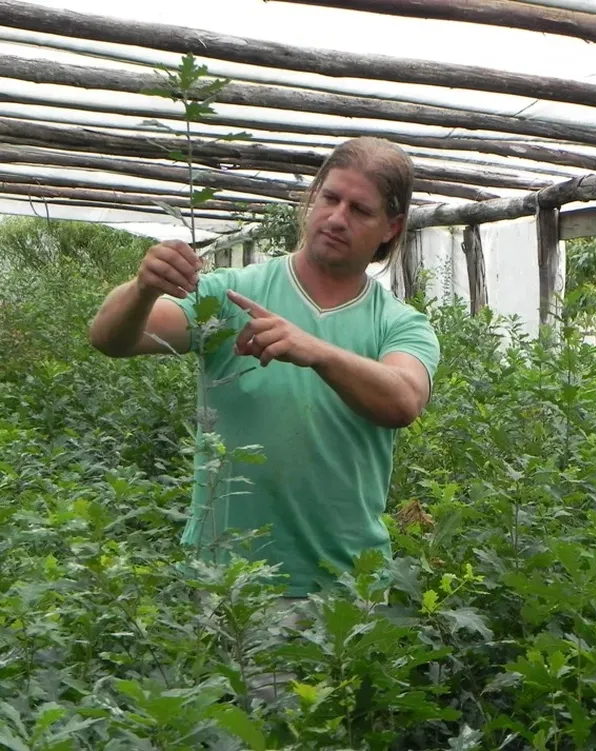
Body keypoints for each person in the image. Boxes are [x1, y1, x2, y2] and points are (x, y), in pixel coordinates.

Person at [88, 137, 441, 600]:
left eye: (360, 210)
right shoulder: (231, 296)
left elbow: (403, 400)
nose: (337, 218)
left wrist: (317, 350)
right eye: (330, 198)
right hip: (231, 580)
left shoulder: (399, 323)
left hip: (347, 586)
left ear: (391, 228)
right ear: (312, 200)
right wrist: (142, 289)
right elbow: (112, 338)